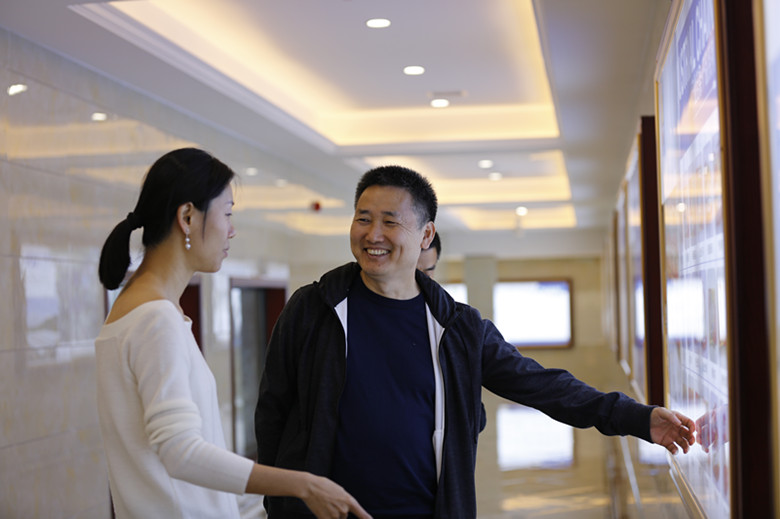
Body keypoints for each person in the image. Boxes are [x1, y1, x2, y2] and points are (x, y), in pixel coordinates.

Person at [254, 164, 696, 518]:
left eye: (390, 222)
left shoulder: (458, 328)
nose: (373, 235)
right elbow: (273, 411)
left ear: (426, 235)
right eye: (363, 219)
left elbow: (542, 385)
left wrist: (637, 417)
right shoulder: (313, 309)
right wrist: (282, 502)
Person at [95, 148, 370, 519]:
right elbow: (180, 452)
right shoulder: (155, 318)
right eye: (227, 213)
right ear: (187, 217)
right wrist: (303, 484)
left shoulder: (132, 309)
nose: (232, 229)